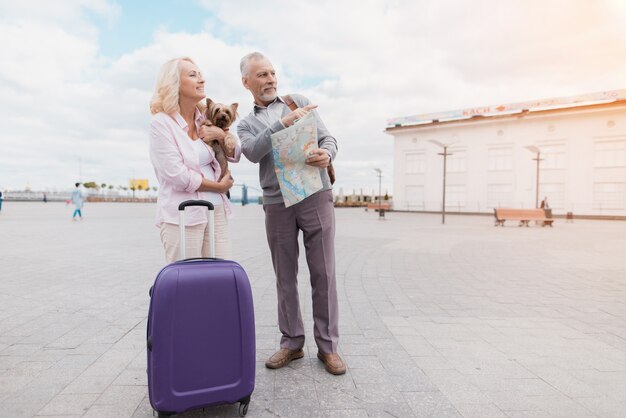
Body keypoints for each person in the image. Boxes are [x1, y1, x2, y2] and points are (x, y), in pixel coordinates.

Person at [237, 52, 344, 375]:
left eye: (271, 73)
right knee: (285, 276)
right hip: (276, 203)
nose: (269, 79)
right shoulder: (245, 125)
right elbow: (253, 153)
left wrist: (327, 153)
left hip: (315, 194)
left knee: (323, 273)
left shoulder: (297, 101)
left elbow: (328, 138)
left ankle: (328, 347)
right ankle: (291, 343)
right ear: (246, 83)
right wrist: (280, 126)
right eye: (261, 75)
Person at [149, 57, 239, 263]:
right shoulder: (161, 124)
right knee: (186, 284)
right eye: (193, 75)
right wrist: (218, 186)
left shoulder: (205, 119)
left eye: (201, 75)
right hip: (183, 215)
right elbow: (177, 176)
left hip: (216, 211)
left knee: (220, 279)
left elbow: (234, 155)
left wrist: (222, 135)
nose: (201, 79)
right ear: (175, 84)